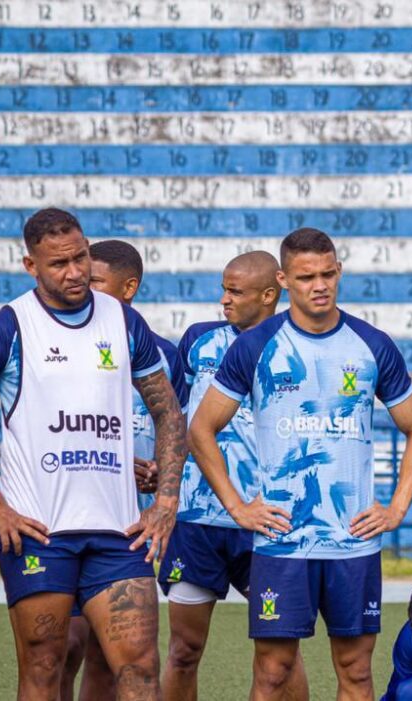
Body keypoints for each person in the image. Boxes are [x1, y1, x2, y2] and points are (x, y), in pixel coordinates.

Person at [0, 208, 187, 700]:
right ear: (31, 266)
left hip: (118, 534)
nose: (75, 272)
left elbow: (170, 415)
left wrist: (166, 502)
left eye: (81, 257)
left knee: (139, 668)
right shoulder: (11, 326)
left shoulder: (123, 320)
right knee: (45, 668)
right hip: (41, 535)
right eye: (59, 263)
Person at [188, 228, 412, 700]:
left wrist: (396, 509)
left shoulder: (371, 344)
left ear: (338, 271)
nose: (319, 285)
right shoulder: (256, 345)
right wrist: (239, 509)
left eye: (327, 274)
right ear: (284, 280)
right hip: (282, 543)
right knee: (274, 671)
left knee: (357, 672)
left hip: (352, 543)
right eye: (305, 277)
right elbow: (201, 430)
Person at [160, 250, 307, 699]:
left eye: (234, 291)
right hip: (198, 521)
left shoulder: (299, 347)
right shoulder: (199, 340)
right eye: (223, 288)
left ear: (268, 295)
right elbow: (176, 416)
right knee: (183, 649)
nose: (224, 299)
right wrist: (163, 469)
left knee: (280, 658)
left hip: (267, 521)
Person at [52, 239, 190, 701]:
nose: (79, 285)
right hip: (64, 515)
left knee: (111, 660)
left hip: (128, 525)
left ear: (128, 288)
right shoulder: (60, 342)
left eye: (94, 281)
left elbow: (175, 425)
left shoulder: (163, 355)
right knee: (63, 648)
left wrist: (158, 476)